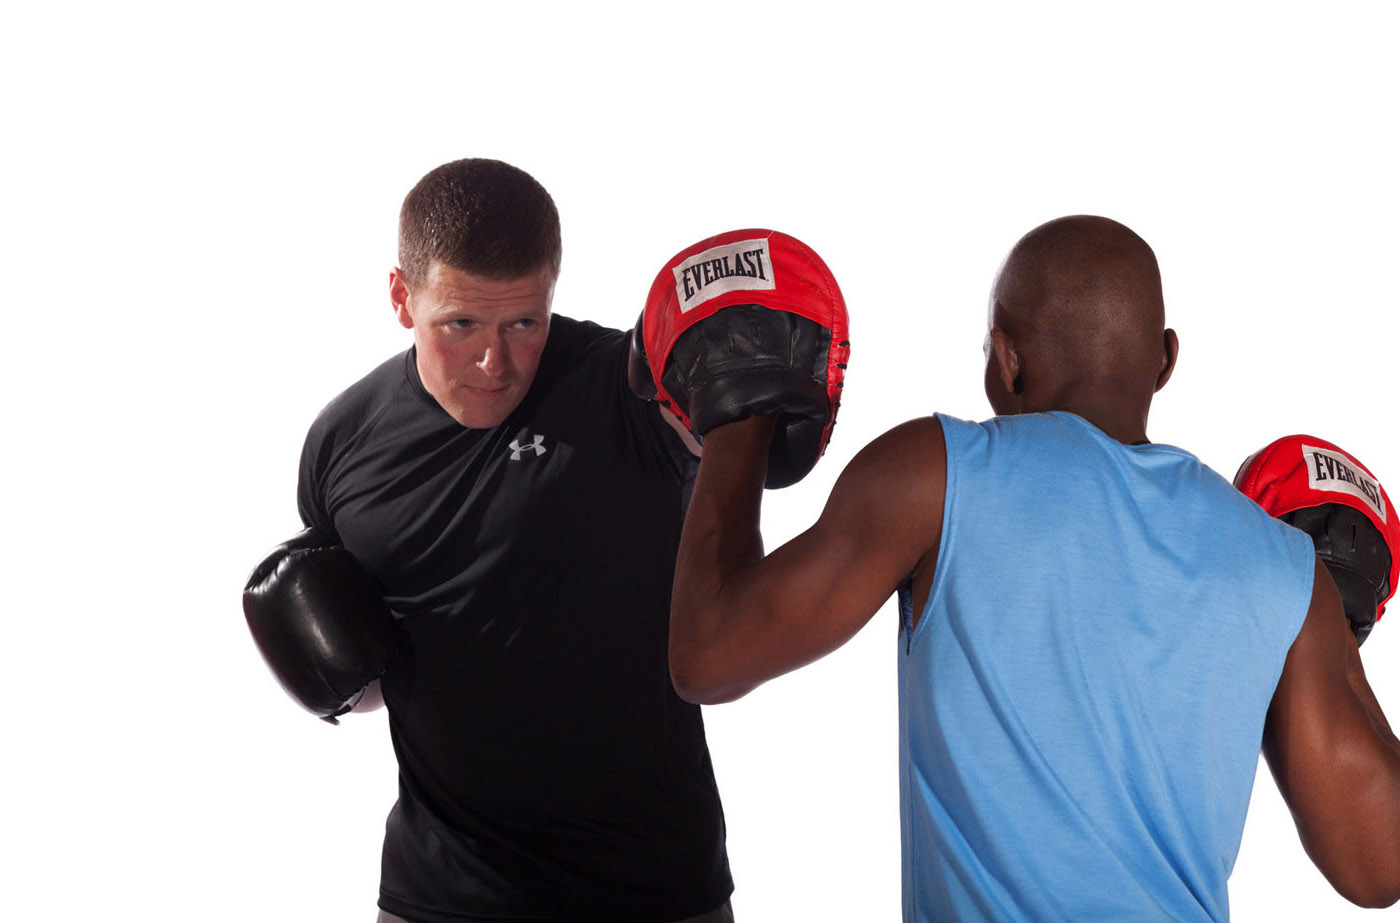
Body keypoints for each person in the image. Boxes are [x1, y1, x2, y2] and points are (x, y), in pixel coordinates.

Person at [664, 215, 1400, 921]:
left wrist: (738, 411)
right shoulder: (1281, 567)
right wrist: (1320, 626)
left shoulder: (934, 474)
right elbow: (1379, 866)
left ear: (1005, 358)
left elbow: (709, 653)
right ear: (1167, 358)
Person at [244, 159, 744, 922]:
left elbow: (723, 452)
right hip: (442, 891)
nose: (495, 362)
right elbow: (383, 679)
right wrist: (330, 669)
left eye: (525, 323)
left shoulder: (629, 390)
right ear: (400, 299)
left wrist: (746, 401)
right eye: (461, 325)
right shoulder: (342, 443)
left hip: (654, 885)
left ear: (552, 291)